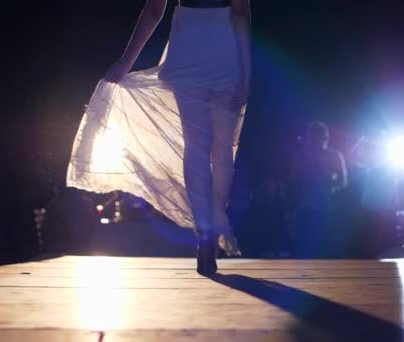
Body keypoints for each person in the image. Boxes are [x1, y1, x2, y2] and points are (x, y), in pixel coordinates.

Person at [67, 0, 251, 275]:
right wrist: (247, 75)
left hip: (189, 42)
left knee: (197, 147)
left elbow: (155, 9)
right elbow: (240, 11)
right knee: (221, 149)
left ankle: (205, 232)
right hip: (222, 46)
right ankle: (210, 226)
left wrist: (126, 61)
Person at [289, 121, 347, 257]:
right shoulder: (301, 156)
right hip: (306, 206)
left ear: (325, 138)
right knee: (304, 244)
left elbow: (342, 182)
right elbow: (293, 180)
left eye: (318, 137)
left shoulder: (334, 155)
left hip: (325, 207)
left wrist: (327, 185)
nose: (315, 141)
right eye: (313, 137)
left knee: (320, 245)